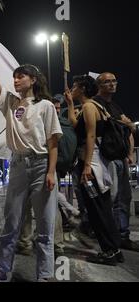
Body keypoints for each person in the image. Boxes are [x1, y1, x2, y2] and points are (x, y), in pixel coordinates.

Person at [0, 42, 62, 282]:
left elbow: (53, 143)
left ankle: (44, 274)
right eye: (14, 77)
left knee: (44, 226)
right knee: (12, 222)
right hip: (18, 165)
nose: (16, 81)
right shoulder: (11, 103)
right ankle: (3, 268)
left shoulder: (46, 106)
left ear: (33, 80)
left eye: (21, 77)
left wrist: (51, 172)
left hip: (42, 166)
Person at [65, 75, 123, 265]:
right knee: (100, 206)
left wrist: (87, 166)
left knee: (98, 208)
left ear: (82, 88)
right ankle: (114, 248)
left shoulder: (90, 107)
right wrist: (70, 104)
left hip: (92, 161)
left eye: (74, 86)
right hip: (92, 161)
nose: (72, 89)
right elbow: (76, 125)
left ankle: (110, 251)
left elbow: (90, 136)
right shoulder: (87, 107)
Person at [93, 73, 139, 252]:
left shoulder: (115, 105)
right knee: (110, 200)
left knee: (124, 198)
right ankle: (111, 238)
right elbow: (115, 125)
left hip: (121, 158)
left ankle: (123, 235)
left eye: (114, 81)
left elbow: (128, 129)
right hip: (107, 158)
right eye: (107, 82)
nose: (112, 84)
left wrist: (129, 153)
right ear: (99, 85)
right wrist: (127, 124)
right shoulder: (96, 103)